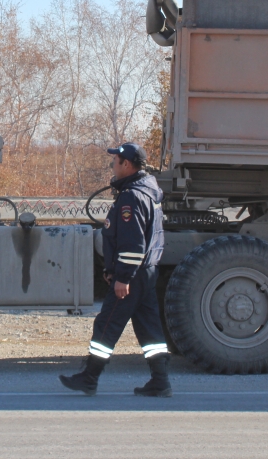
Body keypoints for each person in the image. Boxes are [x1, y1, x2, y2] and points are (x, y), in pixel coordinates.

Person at [59, 142, 171, 397]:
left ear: (127, 165)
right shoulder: (148, 191)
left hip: (133, 275)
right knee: (149, 327)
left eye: (116, 161)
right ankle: (161, 381)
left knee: (108, 323)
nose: (112, 165)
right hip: (146, 272)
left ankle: (89, 377)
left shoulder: (132, 197)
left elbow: (133, 243)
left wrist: (123, 277)